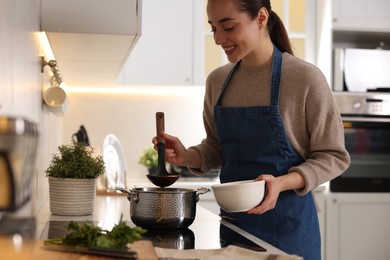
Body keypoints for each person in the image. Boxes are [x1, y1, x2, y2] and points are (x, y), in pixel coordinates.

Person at [152, 0, 350, 259]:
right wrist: (186, 156)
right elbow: (217, 147)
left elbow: (334, 156)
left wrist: (281, 183)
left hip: (289, 231)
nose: (218, 39)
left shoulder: (305, 79)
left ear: (261, 18)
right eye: (213, 29)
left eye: (229, 27)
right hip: (235, 228)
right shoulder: (218, 81)